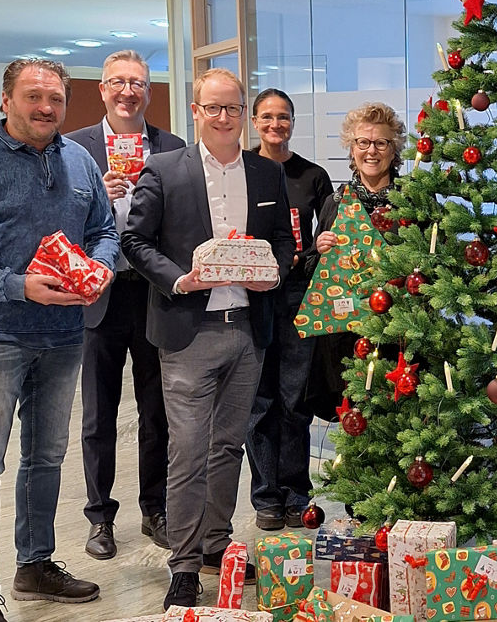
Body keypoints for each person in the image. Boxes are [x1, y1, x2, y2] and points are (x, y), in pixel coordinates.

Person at [0, 58, 119, 622]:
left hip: (62, 336)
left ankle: (35, 564)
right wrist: (16, 286)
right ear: (5, 100)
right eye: (33, 97)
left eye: (55, 99)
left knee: (47, 458)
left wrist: (101, 267)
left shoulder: (79, 160)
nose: (46, 108)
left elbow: (104, 231)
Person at [122, 67, 295, 610]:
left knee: (228, 445)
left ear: (244, 114)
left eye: (233, 108)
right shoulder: (164, 168)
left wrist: (275, 272)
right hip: (187, 335)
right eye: (213, 108)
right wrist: (180, 279)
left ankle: (218, 544)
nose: (225, 118)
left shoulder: (266, 175)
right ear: (195, 112)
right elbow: (133, 238)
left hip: (247, 331)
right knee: (189, 450)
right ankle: (184, 562)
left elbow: (285, 244)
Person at [66, 50, 185, 560]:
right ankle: (99, 516)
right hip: (100, 295)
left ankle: (154, 509)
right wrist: (97, 194)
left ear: (149, 92)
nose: (126, 91)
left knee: (156, 410)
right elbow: (60, 225)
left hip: (154, 294)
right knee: (99, 414)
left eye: (136, 82)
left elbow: (182, 221)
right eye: (117, 82)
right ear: (102, 89)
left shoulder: (173, 147)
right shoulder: (74, 149)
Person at [244, 88, 333, 530]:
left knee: (294, 402)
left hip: (299, 295)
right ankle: (266, 497)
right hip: (253, 295)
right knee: (259, 402)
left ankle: (298, 494)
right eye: (267, 117)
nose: (275, 124)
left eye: (283, 117)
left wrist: (310, 257)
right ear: (255, 123)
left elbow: (327, 237)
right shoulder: (243, 168)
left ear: (292, 123)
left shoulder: (313, 176)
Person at [306, 101, 406, 419]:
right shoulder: (335, 202)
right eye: (363, 142)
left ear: (394, 150)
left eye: (381, 142)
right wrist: (318, 249)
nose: (371, 151)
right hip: (346, 338)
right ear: (352, 149)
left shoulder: (411, 202)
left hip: (398, 333)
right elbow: (313, 271)